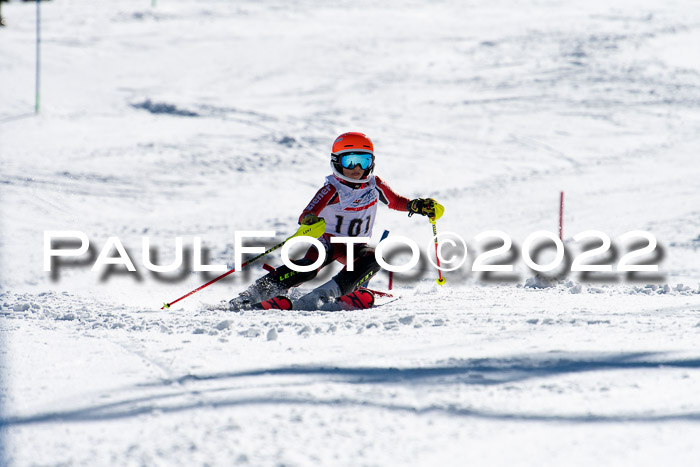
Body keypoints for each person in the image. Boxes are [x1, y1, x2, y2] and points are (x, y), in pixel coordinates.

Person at [229, 132, 441, 310]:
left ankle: (321, 297)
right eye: (350, 161)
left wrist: (417, 206)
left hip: (355, 246)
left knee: (375, 257)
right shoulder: (333, 188)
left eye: (364, 160)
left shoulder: (374, 184)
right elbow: (307, 214)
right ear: (337, 162)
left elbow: (395, 202)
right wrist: (310, 220)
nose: (357, 167)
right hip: (327, 243)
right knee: (309, 267)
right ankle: (254, 294)